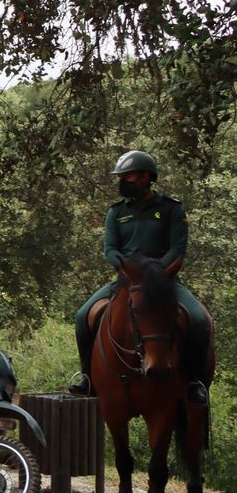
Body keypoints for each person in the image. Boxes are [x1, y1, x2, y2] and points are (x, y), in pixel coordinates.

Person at [71, 150, 211, 405]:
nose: (122, 181)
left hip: (166, 282)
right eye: (121, 176)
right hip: (126, 281)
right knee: (82, 316)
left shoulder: (171, 208)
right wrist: (125, 268)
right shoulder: (116, 212)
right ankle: (87, 377)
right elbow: (110, 248)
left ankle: (194, 382)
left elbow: (177, 248)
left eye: (128, 176)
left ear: (146, 177)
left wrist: (155, 272)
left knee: (199, 319)